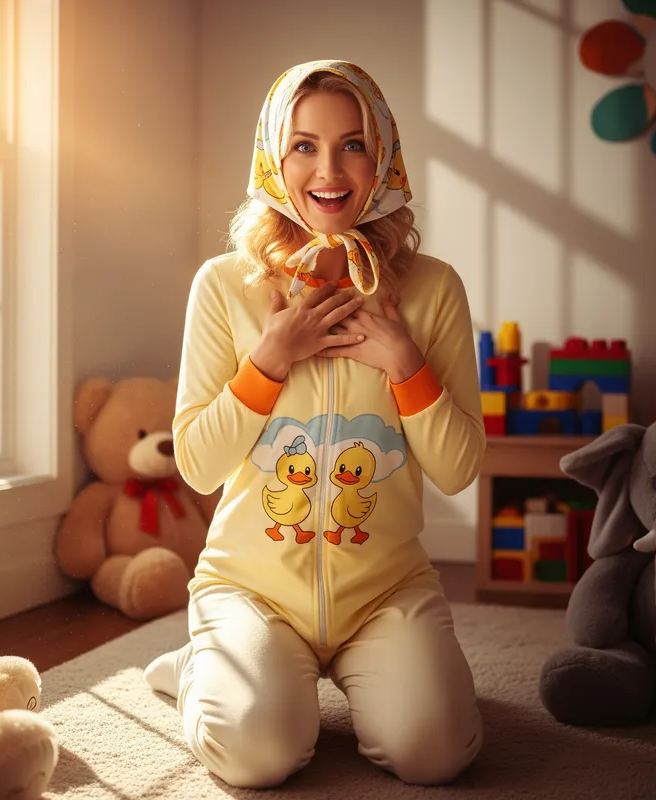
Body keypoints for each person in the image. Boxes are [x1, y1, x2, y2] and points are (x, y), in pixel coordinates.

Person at [144, 60, 486, 789]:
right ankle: (208, 662)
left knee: (437, 753)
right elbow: (199, 466)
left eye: (352, 144)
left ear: (383, 155)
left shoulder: (434, 290)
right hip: (251, 588)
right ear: (273, 155)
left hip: (386, 588)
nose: (328, 169)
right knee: (257, 754)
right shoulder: (225, 287)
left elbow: (458, 468)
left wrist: (404, 361)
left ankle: (362, 678)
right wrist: (269, 358)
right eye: (303, 145)